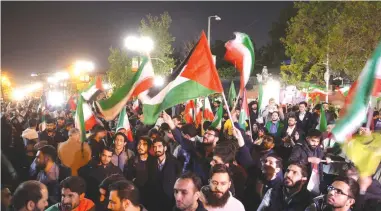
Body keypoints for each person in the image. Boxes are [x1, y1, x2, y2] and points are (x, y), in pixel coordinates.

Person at [163, 111, 220, 184]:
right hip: (193, 185)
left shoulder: (219, 154)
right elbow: (181, 139)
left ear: (216, 138)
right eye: (205, 133)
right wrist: (170, 123)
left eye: (209, 134)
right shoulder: (196, 147)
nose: (205, 135)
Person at [146, 137, 182, 211]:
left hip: (169, 199)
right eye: (155, 147)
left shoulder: (175, 162)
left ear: (165, 148)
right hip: (154, 200)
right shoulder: (150, 162)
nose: (157, 149)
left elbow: (178, 181)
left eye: (159, 146)